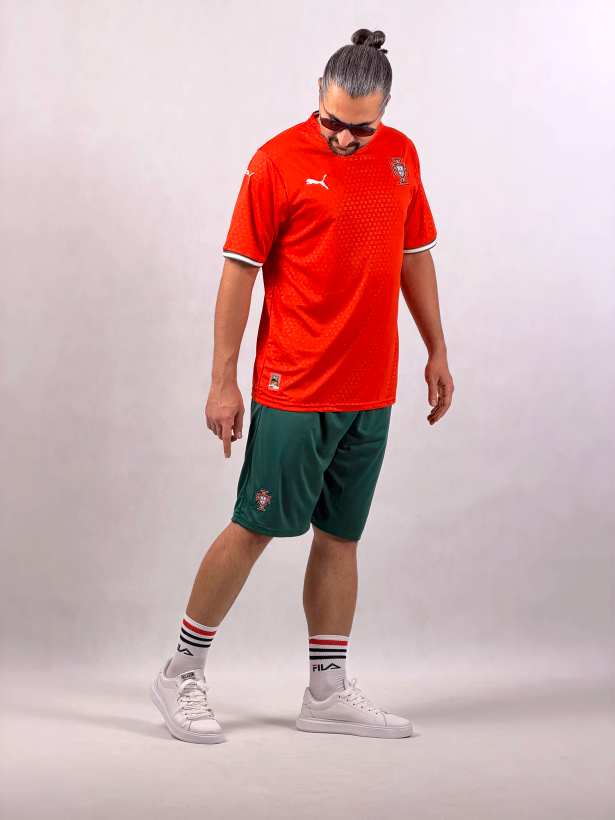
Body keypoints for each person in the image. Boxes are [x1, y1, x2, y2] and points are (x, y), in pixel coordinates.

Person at [149, 27, 454, 744]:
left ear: (384, 113)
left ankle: (326, 691)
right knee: (255, 526)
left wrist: (437, 348)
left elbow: (414, 257)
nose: (343, 138)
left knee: (341, 537)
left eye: (360, 128)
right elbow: (238, 272)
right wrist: (223, 382)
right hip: (294, 385)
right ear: (317, 95)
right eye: (331, 121)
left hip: (370, 388)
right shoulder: (276, 162)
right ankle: (179, 672)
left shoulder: (402, 157)